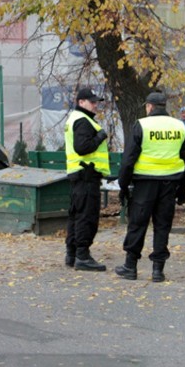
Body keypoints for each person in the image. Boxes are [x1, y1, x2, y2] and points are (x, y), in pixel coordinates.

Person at [115, 92, 185, 283]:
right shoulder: (179, 127)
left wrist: (123, 186)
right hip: (170, 184)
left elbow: (128, 160)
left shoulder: (142, 125)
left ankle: (130, 266)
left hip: (144, 184)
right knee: (162, 226)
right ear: (164, 106)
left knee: (138, 224)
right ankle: (158, 271)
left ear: (150, 107)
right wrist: (183, 188)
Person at [64, 88, 111, 271]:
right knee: (87, 217)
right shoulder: (83, 121)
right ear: (81, 102)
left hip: (79, 175)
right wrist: (100, 137)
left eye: (96, 102)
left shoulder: (75, 119)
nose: (95, 105)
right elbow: (82, 147)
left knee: (76, 215)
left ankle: (72, 254)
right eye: (92, 102)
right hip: (86, 175)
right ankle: (82, 256)